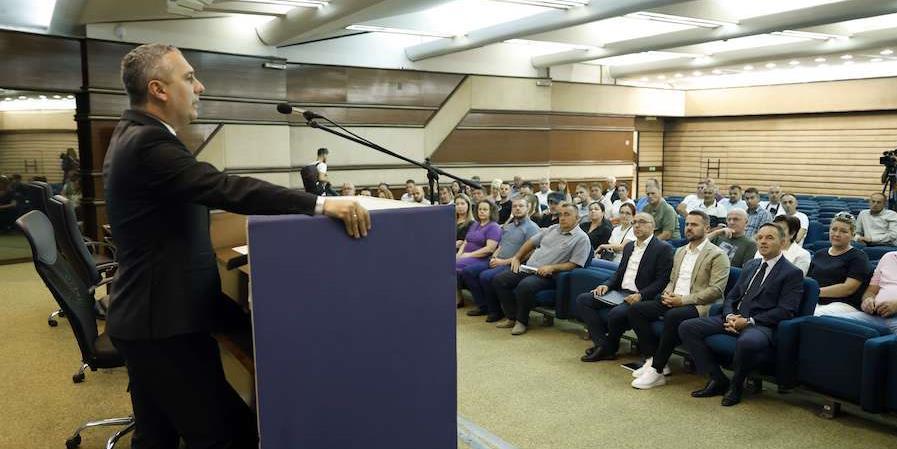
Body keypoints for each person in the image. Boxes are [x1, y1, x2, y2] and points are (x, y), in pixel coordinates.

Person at [104, 43, 371, 448]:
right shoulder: (148, 144)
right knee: (227, 436)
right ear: (158, 89)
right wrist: (319, 203)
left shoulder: (136, 134)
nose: (200, 87)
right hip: (163, 324)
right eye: (189, 78)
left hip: (147, 316)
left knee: (156, 437)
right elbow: (224, 188)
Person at [679, 223, 803, 407]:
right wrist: (730, 315)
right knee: (687, 327)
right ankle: (717, 379)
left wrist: (749, 321)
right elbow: (732, 296)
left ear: (783, 242)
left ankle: (736, 386)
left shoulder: (792, 273)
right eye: (760, 237)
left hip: (760, 324)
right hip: (734, 317)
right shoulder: (751, 265)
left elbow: (786, 310)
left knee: (748, 342)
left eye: (769, 238)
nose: (763, 241)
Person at [629, 211, 730, 389]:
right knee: (637, 310)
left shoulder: (717, 255)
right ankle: (652, 359)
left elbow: (716, 291)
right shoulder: (680, 251)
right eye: (687, 224)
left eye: (694, 225)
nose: (689, 228)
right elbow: (672, 280)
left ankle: (657, 371)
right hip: (674, 300)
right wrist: (667, 294)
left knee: (673, 316)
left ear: (707, 228)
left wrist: (682, 300)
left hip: (699, 305)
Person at [576, 213, 674, 361]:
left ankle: (608, 348)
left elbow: (662, 281)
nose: (637, 226)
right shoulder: (629, 246)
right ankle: (603, 345)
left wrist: (641, 295)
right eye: (634, 222)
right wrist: (606, 285)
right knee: (583, 300)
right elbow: (619, 273)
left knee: (616, 314)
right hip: (620, 292)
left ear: (653, 226)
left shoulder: (663, 248)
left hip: (640, 295)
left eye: (642, 222)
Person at [492, 202, 591, 336]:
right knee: (500, 280)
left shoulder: (582, 238)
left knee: (525, 286)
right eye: (560, 215)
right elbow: (531, 242)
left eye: (567, 215)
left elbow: (575, 264)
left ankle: (521, 321)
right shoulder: (552, 229)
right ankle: (512, 317)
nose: (562, 218)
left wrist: (552, 267)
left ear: (577, 218)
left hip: (550, 275)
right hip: (529, 268)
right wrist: (517, 257)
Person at [462, 198, 539, 320]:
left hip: (513, 263)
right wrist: (494, 257)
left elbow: (530, 252)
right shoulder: (509, 226)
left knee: (486, 276)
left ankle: (496, 311)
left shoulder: (532, 228)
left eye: (521, 206)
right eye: (515, 206)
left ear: (528, 208)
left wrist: (503, 262)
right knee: (469, 271)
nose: (517, 208)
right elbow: (501, 245)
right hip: (498, 259)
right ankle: (483, 306)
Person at [810, 213, 869, 316]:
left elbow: (848, 288)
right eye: (834, 229)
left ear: (853, 235)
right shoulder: (819, 254)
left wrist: (815, 292)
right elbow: (809, 280)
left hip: (843, 304)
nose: (837, 234)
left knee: (812, 314)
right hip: (815, 300)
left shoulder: (858, 257)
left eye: (843, 231)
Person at [456, 199, 501, 307]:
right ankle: (457, 297)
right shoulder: (475, 224)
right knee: (448, 264)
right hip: (466, 256)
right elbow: (466, 241)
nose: (481, 211)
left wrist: (468, 255)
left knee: (452, 267)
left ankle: (462, 299)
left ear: (491, 211)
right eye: (480, 209)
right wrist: (459, 254)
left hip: (481, 258)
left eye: (485, 209)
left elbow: (489, 249)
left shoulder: (493, 227)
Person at [840, 250, 897, 334]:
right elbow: (871, 292)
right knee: (830, 323)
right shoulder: (888, 257)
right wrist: (868, 300)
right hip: (875, 315)